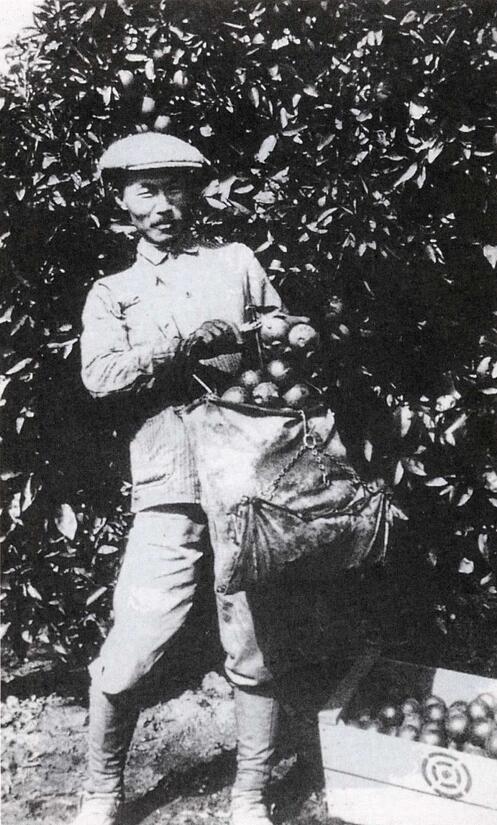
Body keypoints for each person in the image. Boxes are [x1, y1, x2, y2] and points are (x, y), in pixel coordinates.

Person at [75, 132, 285, 825]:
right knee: (131, 649)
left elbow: (280, 330)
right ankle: (100, 792)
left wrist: (288, 334)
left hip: (249, 480)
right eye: (147, 190)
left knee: (252, 648)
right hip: (167, 483)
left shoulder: (235, 261)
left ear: (194, 195)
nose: (164, 204)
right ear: (122, 200)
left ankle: (249, 794)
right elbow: (100, 378)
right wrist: (177, 343)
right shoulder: (113, 292)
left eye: (176, 188)